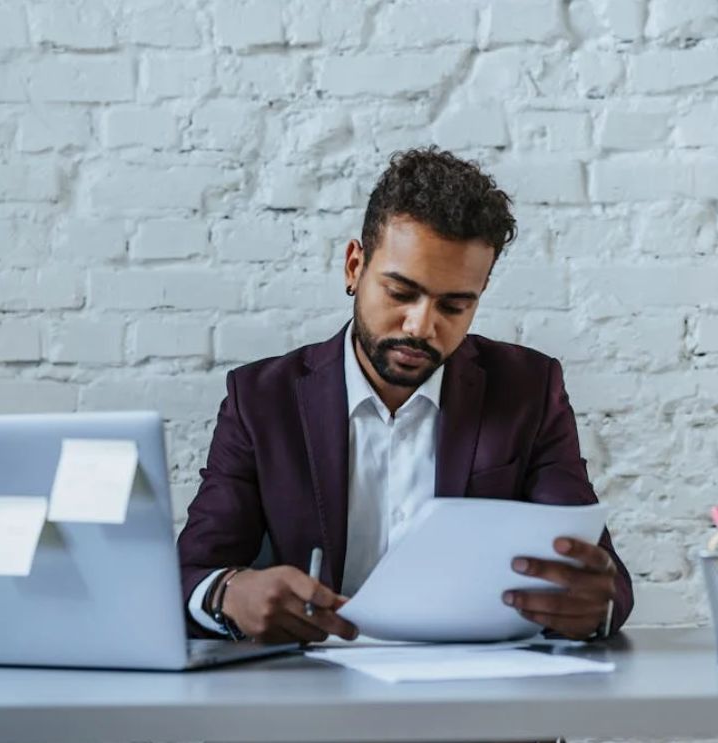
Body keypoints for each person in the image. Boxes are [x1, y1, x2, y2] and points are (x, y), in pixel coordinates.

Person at [177, 147, 632, 644]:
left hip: (479, 695)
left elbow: (602, 580)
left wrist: (593, 605)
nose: (421, 326)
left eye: (454, 305)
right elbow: (192, 572)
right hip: (312, 697)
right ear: (354, 267)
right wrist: (230, 593)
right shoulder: (261, 400)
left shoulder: (529, 391)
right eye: (400, 293)